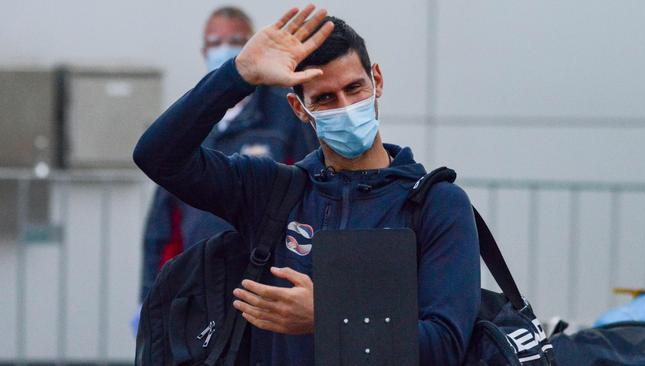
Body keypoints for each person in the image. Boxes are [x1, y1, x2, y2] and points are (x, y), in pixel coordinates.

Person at [133, 5, 480, 365]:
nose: (345, 106)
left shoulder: (436, 203)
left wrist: (326, 317)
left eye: (354, 88)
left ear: (376, 80)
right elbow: (158, 156)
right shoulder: (273, 191)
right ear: (299, 109)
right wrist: (237, 75)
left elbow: (444, 346)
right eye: (325, 98)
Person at [139, 6, 318, 301]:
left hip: (266, 282)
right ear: (202, 50)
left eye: (235, 41)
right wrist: (150, 294)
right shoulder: (190, 120)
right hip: (198, 283)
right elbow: (163, 222)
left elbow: (310, 199)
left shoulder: (286, 115)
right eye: (214, 42)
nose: (223, 49)